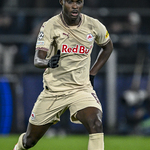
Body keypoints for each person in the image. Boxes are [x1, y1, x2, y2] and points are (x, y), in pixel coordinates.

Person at [13, 0, 113, 149]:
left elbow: (108, 47)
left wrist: (92, 73)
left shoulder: (94, 25)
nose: (75, 6)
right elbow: (37, 59)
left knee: (96, 124)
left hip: (81, 89)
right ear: (61, 1)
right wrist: (48, 62)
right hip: (54, 91)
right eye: (70, 2)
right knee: (30, 140)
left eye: (78, 2)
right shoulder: (50, 25)